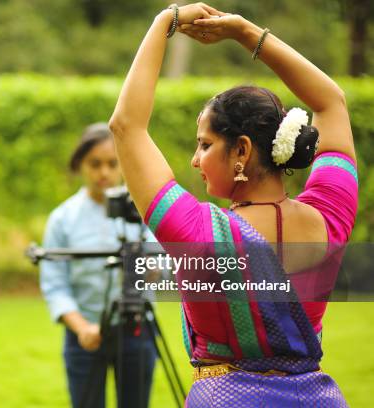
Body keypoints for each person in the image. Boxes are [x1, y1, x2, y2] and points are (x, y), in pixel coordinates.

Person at [109, 3, 356, 407]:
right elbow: (331, 102)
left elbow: (126, 127)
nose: (195, 159)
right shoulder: (331, 216)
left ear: (241, 150)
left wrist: (163, 22)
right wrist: (246, 33)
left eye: (205, 145)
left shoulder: (195, 232)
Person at [40, 123, 157, 408]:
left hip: (137, 330)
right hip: (84, 334)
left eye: (111, 164)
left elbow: (160, 269)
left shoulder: (142, 213)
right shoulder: (63, 218)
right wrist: (82, 328)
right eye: (95, 164)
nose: (104, 173)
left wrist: (152, 268)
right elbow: (55, 284)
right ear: (81, 164)